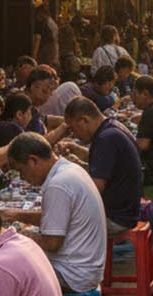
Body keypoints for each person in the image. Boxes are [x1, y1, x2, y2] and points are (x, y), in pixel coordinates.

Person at [3, 134, 107, 293]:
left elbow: (52, 243)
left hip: (73, 275)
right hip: (85, 268)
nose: (23, 178)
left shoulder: (58, 185)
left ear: (33, 161)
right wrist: (16, 215)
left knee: (5, 272)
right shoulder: (68, 169)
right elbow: (54, 218)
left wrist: (15, 235)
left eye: (21, 171)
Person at [61, 97, 143, 235]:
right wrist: (76, 151)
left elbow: (95, 188)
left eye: (73, 129)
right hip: (126, 210)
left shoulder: (106, 138)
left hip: (116, 218)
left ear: (84, 120)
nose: (74, 134)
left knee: (60, 227)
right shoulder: (111, 126)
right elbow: (105, 163)